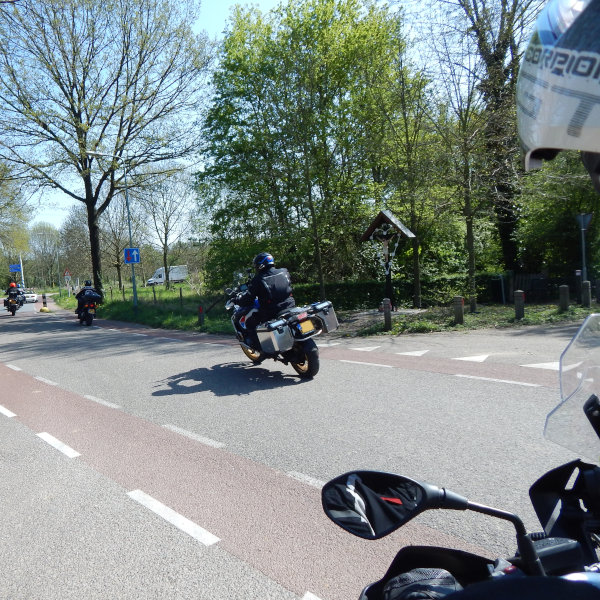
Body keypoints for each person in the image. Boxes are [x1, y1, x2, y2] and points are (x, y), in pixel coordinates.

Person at [237, 252, 295, 349]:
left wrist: (238, 301)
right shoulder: (284, 271)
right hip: (290, 305)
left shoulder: (258, 279)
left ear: (260, 265)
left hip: (272, 311)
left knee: (250, 322)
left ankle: (260, 348)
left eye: (256, 265)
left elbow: (248, 299)